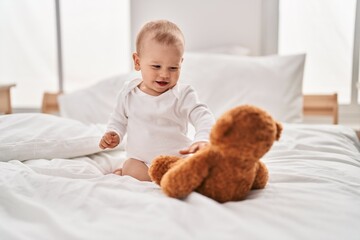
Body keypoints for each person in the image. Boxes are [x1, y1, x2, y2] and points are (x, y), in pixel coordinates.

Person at [99, 20, 215, 181]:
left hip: (177, 160)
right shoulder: (129, 93)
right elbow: (118, 120)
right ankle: (158, 180)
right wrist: (114, 133)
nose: (165, 75)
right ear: (138, 62)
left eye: (173, 68)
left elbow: (204, 117)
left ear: (181, 63)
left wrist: (203, 139)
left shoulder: (183, 94)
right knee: (130, 166)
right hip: (142, 162)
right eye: (156, 66)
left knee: (199, 167)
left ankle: (173, 179)